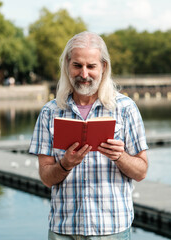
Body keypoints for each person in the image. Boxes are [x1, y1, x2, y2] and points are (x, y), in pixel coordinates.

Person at [29, 31, 149, 240]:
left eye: (91, 66)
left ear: (103, 67)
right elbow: (46, 178)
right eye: (77, 65)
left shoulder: (125, 109)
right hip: (63, 230)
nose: (84, 74)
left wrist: (120, 156)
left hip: (112, 230)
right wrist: (65, 164)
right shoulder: (50, 112)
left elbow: (141, 172)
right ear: (67, 65)